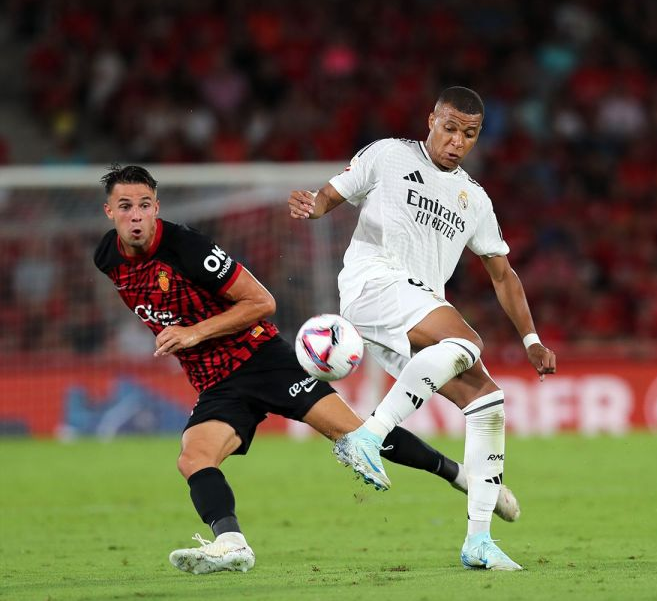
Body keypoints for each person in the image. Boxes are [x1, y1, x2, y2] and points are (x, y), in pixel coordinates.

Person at [93, 164, 520, 576]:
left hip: (263, 360)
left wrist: (192, 333)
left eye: (145, 204)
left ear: (157, 206)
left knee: (355, 435)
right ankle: (232, 545)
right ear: (110, 212)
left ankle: (462, 477)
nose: (136, 215)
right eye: (126, 206)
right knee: (194, 458)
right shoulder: (106, 257)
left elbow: (262, 303)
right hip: (215, 381)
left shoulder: (187, 248)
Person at [288, 86, 556, 570]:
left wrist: (532, 339)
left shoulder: (473, 198)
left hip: (418, 306)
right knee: (467, 342)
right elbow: (333, 192)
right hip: (373, 283)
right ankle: (368, 436)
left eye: (469, 134)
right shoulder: (390, 155)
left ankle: (479, 541)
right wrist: (314, 207)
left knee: (487, 401)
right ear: (431, 120)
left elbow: (503, 274)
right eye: (449, 127)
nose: (457, 140)